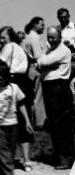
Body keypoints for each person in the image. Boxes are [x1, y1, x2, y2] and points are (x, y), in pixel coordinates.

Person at [37, 26, 74, 170]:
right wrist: (46, 65)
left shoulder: (62, 50)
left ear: (60, 37)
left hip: (58, 89)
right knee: (53, 123)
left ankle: (67, 157)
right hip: (50, 88)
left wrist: (44, 63)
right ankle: (59, 155)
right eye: (49, 37)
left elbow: (41, 62)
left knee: (61, 124)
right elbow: (42, 64)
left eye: (53, 37)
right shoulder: (51, 51)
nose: (51, 40)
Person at [0, 26, 33, 169]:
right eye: (0, 36)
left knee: (9, 119)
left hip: (12, 82)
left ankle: (9, 158)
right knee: (24, 119)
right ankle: (26, 160)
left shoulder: (9, 46)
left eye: (3, 36)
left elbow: (0, 64)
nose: (1, 39)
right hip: (24, 83)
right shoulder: (20, 49)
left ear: (10, 36)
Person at [0, 60, 34, 175]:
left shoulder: (14, 88)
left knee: (10, 153)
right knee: (3, 154)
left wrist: (28, 122)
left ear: (6, 77)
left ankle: (0, 172)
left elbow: (21, 104)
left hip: (12, 125)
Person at [22, 16, 47, 128]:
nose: (43, 26)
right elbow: (39, 56)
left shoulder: (28, 37)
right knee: (38, 96)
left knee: (34, 96)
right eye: (41, 24)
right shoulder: (34, 38)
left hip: (29, 69)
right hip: (36, 69)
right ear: (35, 25)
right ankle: (40, 122)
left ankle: (37, 120)